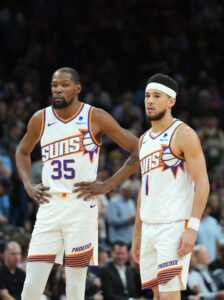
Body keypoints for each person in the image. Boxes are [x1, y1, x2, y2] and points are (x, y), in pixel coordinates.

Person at [15, 67, 139, 300]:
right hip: (49, 207)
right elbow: (22, 151)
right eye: (54, 85)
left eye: (64, 85)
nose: (58, 90)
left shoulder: (95, 116)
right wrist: (28, 185)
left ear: (77, 88)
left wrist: (108, 185)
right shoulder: (40, 118)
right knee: (31, 287)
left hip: (81, 207)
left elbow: (137, 148)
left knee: (75, 286)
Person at [131, 74, 210, 300]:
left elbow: (202, 182)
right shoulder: (143, 140)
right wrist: (136, 234)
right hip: (148, 226)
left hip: (173, 225)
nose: (150, 101)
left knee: (168, 296)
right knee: (155, 295)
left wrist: (192, 228)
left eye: (157, 96)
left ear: (171, 101)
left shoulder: (184, 134)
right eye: (147, 96)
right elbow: (143, 190)